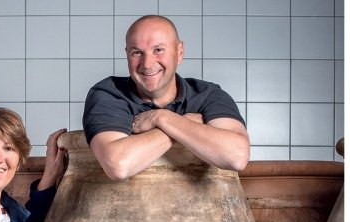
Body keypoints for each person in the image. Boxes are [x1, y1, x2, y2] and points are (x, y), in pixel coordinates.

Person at [82, 14, 250, 180]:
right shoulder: (109, 94)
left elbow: (237, 156)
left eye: (158, 50)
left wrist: (162, 118)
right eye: (137, 52)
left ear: (179, 52)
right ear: (127, 55)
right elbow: (118, 165)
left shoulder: (208, 94)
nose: (147, 64)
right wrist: (187, 124)